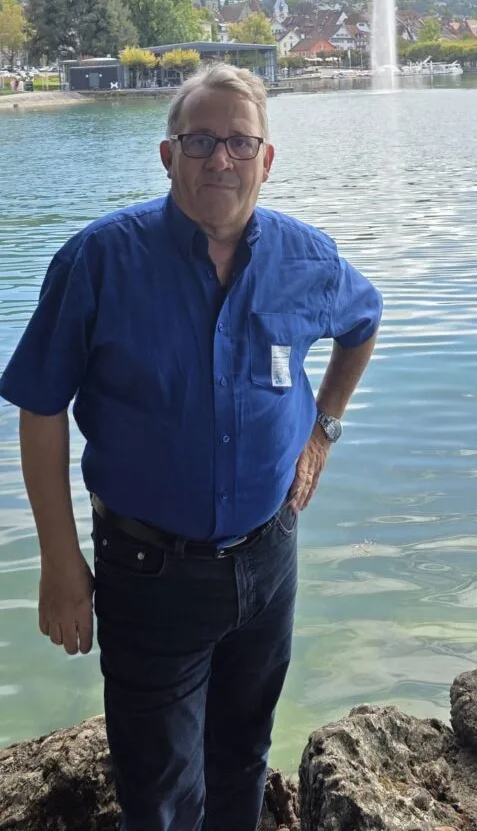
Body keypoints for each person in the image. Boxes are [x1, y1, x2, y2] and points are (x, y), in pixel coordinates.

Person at [0, 63, 382, 831]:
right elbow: (41, 409)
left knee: (242, 754)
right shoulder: (99, 261)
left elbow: (362, 323)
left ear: (266, 159)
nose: (221, 159)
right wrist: (60, 563)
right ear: (167, 155)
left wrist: (323, 430)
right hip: (150, 573)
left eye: (240, 142)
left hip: (269, 559)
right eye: (200, 141)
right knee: (160, 792)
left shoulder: (307, 260)